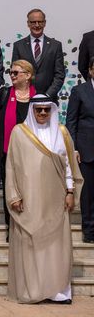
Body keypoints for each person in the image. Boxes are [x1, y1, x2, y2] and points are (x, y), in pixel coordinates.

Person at [5, 95, 82, 304]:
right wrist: (13, 195)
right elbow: (11, 166)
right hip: (28, 198)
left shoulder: (62, 132)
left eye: (46, 110)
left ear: (52, 111)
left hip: (56, 198)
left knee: (57, 246)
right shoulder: (19, 133)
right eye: (38, 110)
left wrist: (70, 192)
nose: (42, 114)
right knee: (32, 244)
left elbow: (68, 166)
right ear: (32, 110)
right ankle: (33, 290)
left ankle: (59, 291)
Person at [0, 60, 35, 231]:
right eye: (11, 72)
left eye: (16, 72)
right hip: (7, 151)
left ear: (28, 75)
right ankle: (11, 226)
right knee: (10, 188)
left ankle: (29, 223)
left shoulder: (38, 97)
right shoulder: (4, 94)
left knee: (31, 187)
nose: (12, 75)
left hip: (32, 153)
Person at [65, 57, 94, 243]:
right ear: (91, 70)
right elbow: (71, 122)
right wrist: (74, 148)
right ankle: (89, 230)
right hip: (86, 149)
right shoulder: (79, 91)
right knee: (88, 193)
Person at [11, 9, 65, 101]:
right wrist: (24, 93)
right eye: (33, 22)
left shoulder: (55, 46)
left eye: (40, 22)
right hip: (24, 99)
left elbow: (59, 75)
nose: (37, 25)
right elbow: (15, 73)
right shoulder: (18, 45)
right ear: (28, 23)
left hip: (49, 99)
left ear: (44, 23)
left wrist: (48, 94)